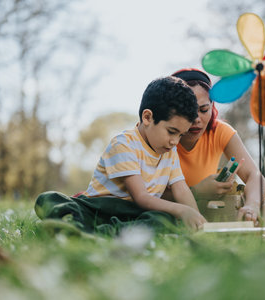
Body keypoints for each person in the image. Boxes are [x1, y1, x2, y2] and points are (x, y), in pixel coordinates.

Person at [34, 76, 207, 235]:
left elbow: (181, 189)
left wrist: (198, 219)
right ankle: (78, 225)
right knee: (49, 199)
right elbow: (141, 197)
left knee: (163, 219)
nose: (175, 142)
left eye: (181, 135)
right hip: (100, 209)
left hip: (134, 214)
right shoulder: (124, 144)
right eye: (172, 132)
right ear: (147, 117)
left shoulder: (170, 152)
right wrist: (181, 210)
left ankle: (96, 233)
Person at [171, 68, 265, 226]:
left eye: (204, 110)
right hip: (172, 214)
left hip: (208, 213)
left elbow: (255, 176)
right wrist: (197, 191)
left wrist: (251, 206)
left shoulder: (220, 131)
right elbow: (148, 194)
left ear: (212, 107)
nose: (197, 119)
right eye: (188, 111)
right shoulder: (163, 136)